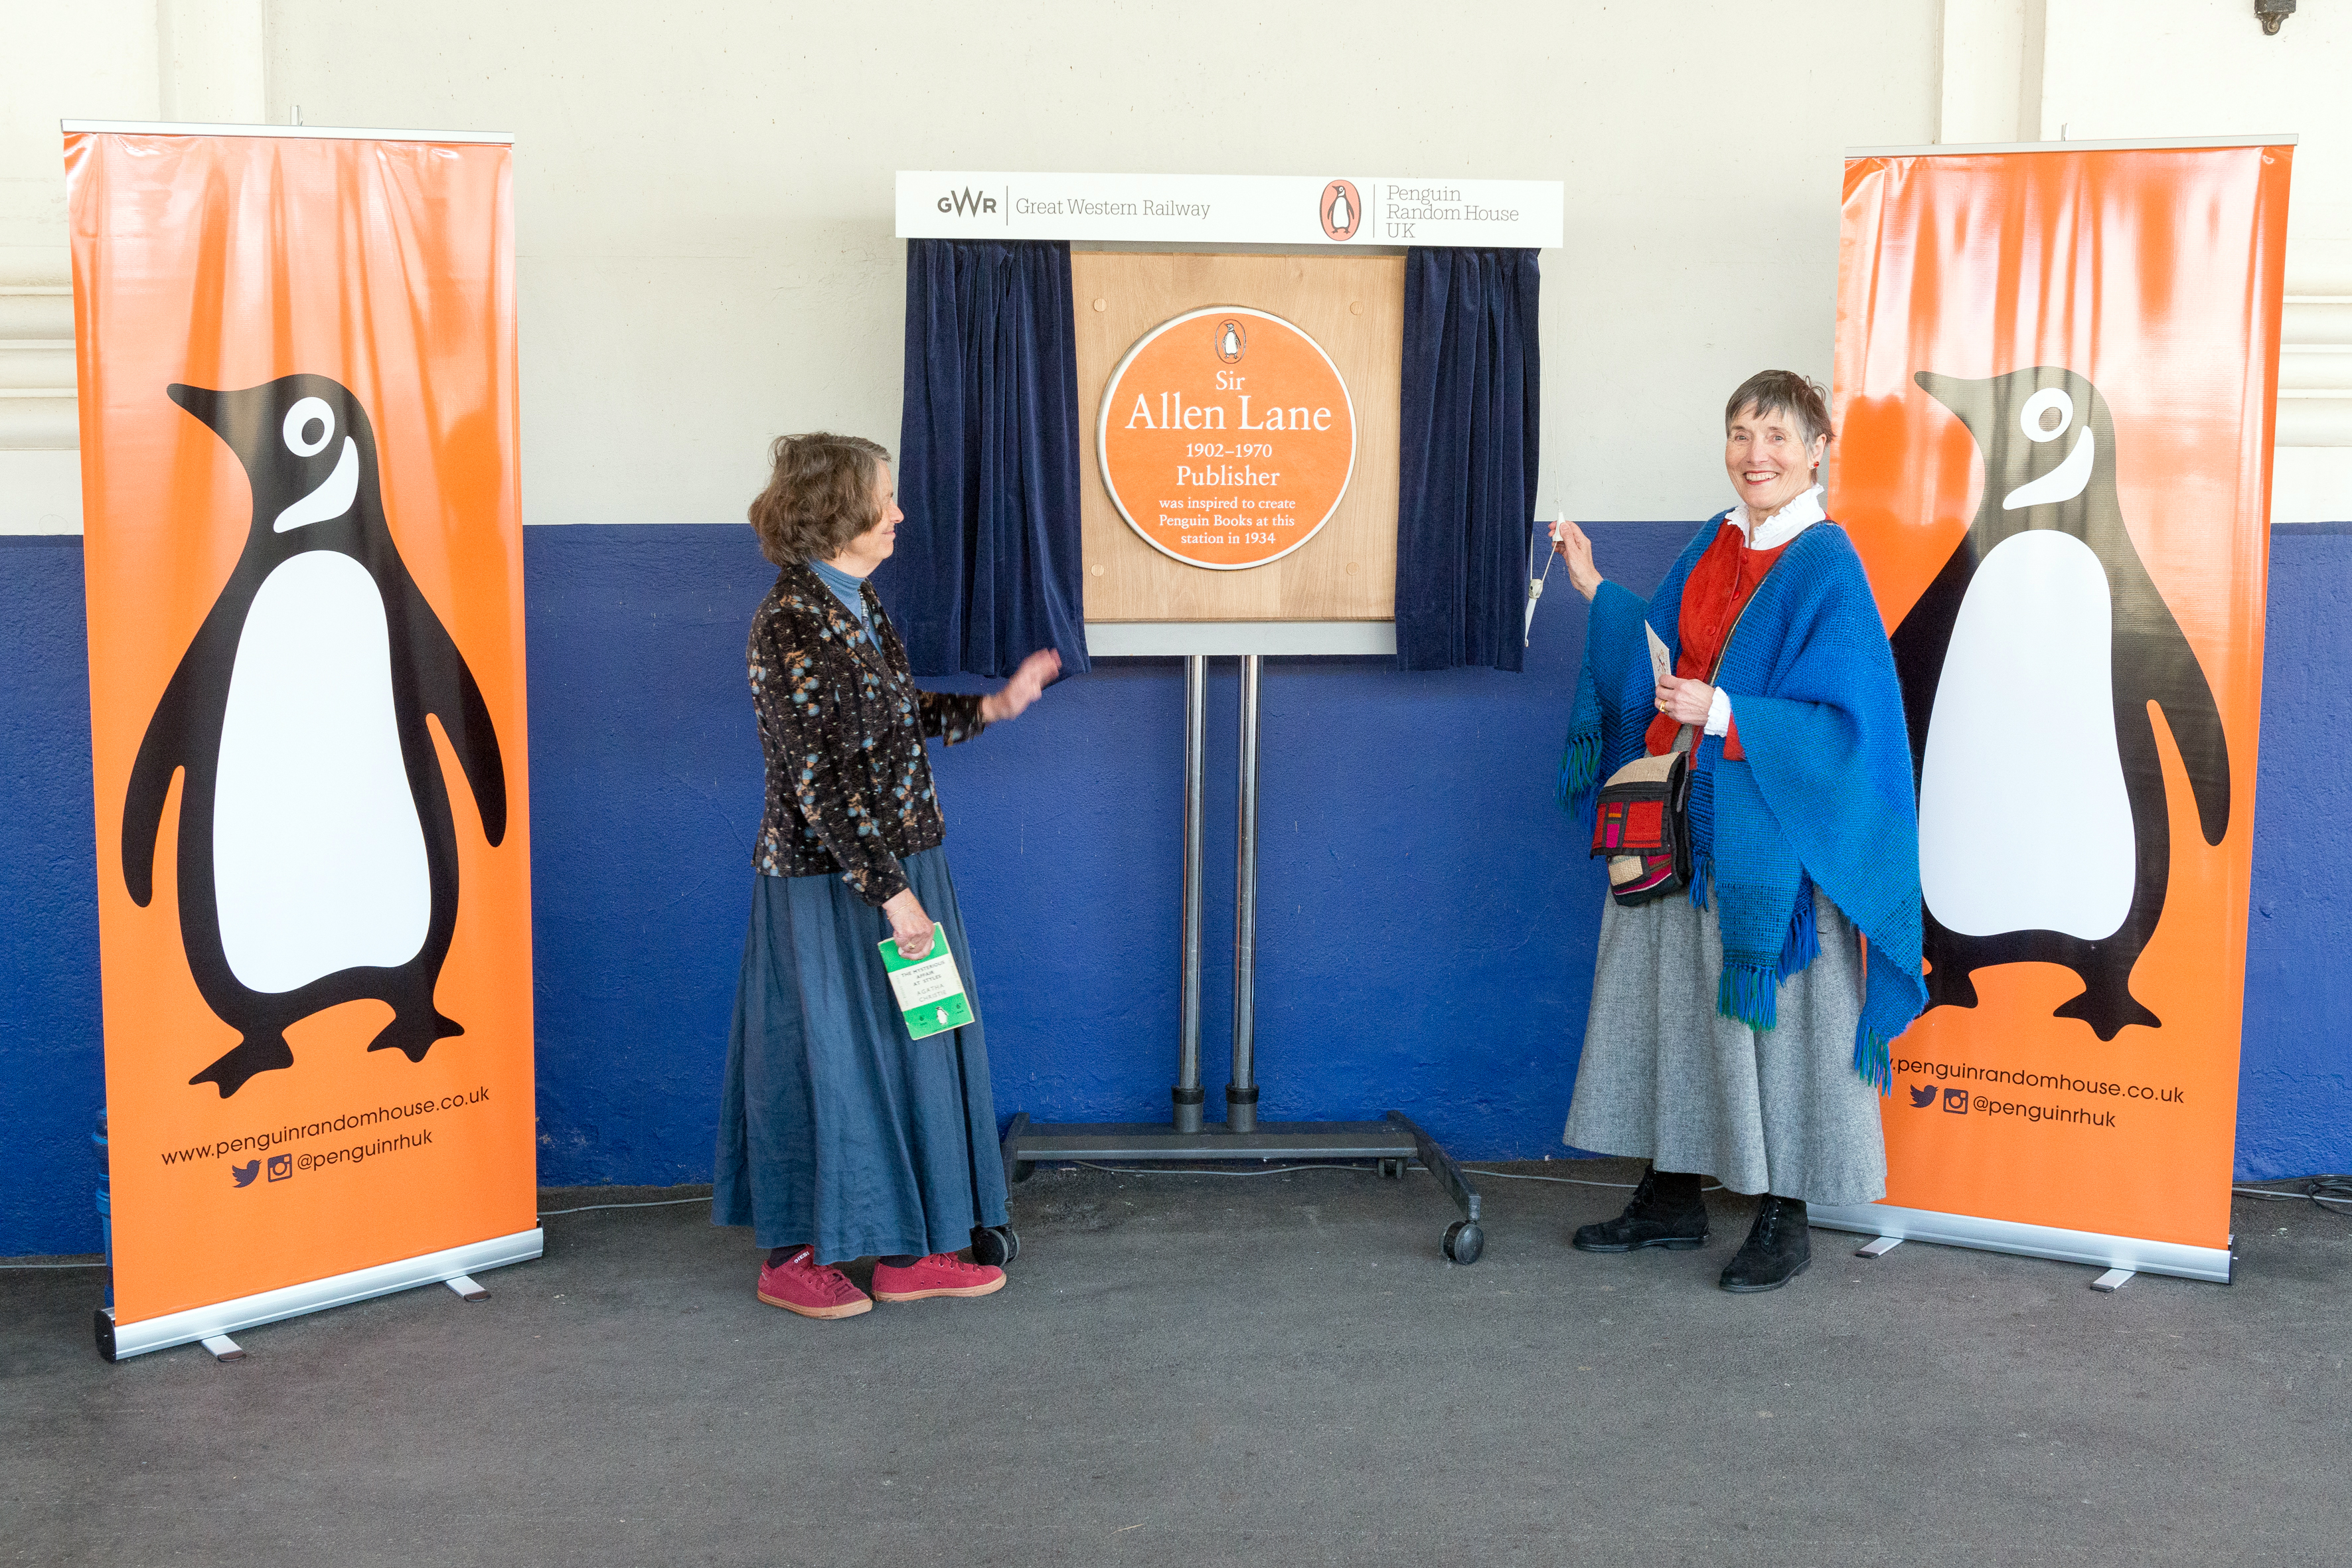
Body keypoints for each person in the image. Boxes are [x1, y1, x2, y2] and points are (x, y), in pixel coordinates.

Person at [1551, 371, 1925, 1293]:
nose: (1756, 454)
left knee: (1785, 1028)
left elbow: (1850, 725)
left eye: (1778, 437)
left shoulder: (1828, 564)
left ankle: (1783, 1213)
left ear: (1817, 450)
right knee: (1676, 1006)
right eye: (1741, 434)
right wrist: (1595, 585)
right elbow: (1657, 644)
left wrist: (1721, 710)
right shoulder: (1716, 544)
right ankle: (1674, 1190)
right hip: (1690, 824)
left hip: (1775, 842)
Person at [712, 432, 1061, 1320]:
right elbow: (814, 778)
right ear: (838, 511)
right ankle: (793, 1258)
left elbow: (894, 720)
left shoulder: (859, 602)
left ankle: (912, 1250)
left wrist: (996, 703)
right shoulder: (788, 619)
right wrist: (892, 892)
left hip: (898, 865)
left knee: (915, 1046)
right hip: (831, 886)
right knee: (820, 1057)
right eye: (886, 497)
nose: (901, 513)